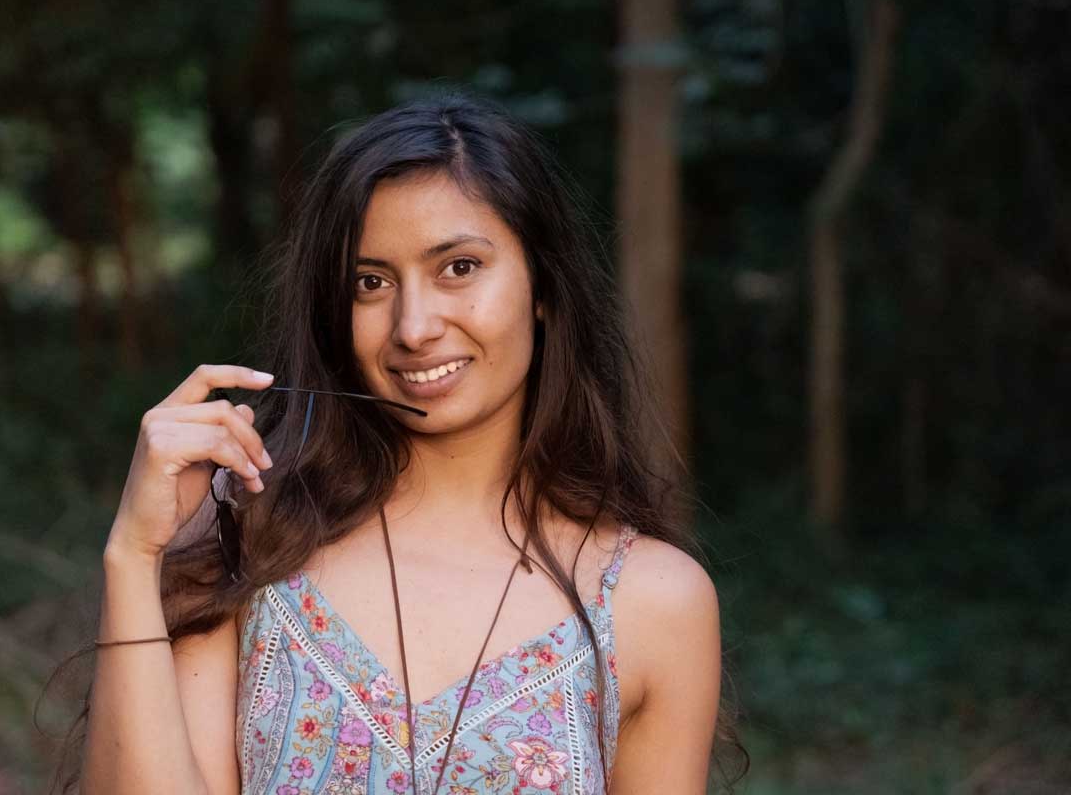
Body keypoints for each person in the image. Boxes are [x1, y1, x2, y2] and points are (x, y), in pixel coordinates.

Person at [66, 91, 739, 795]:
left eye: (459, 268)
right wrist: (133, 555)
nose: (413, 326)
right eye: (371, 282)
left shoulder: (650, 601)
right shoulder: (254, 543)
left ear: (543, 286)